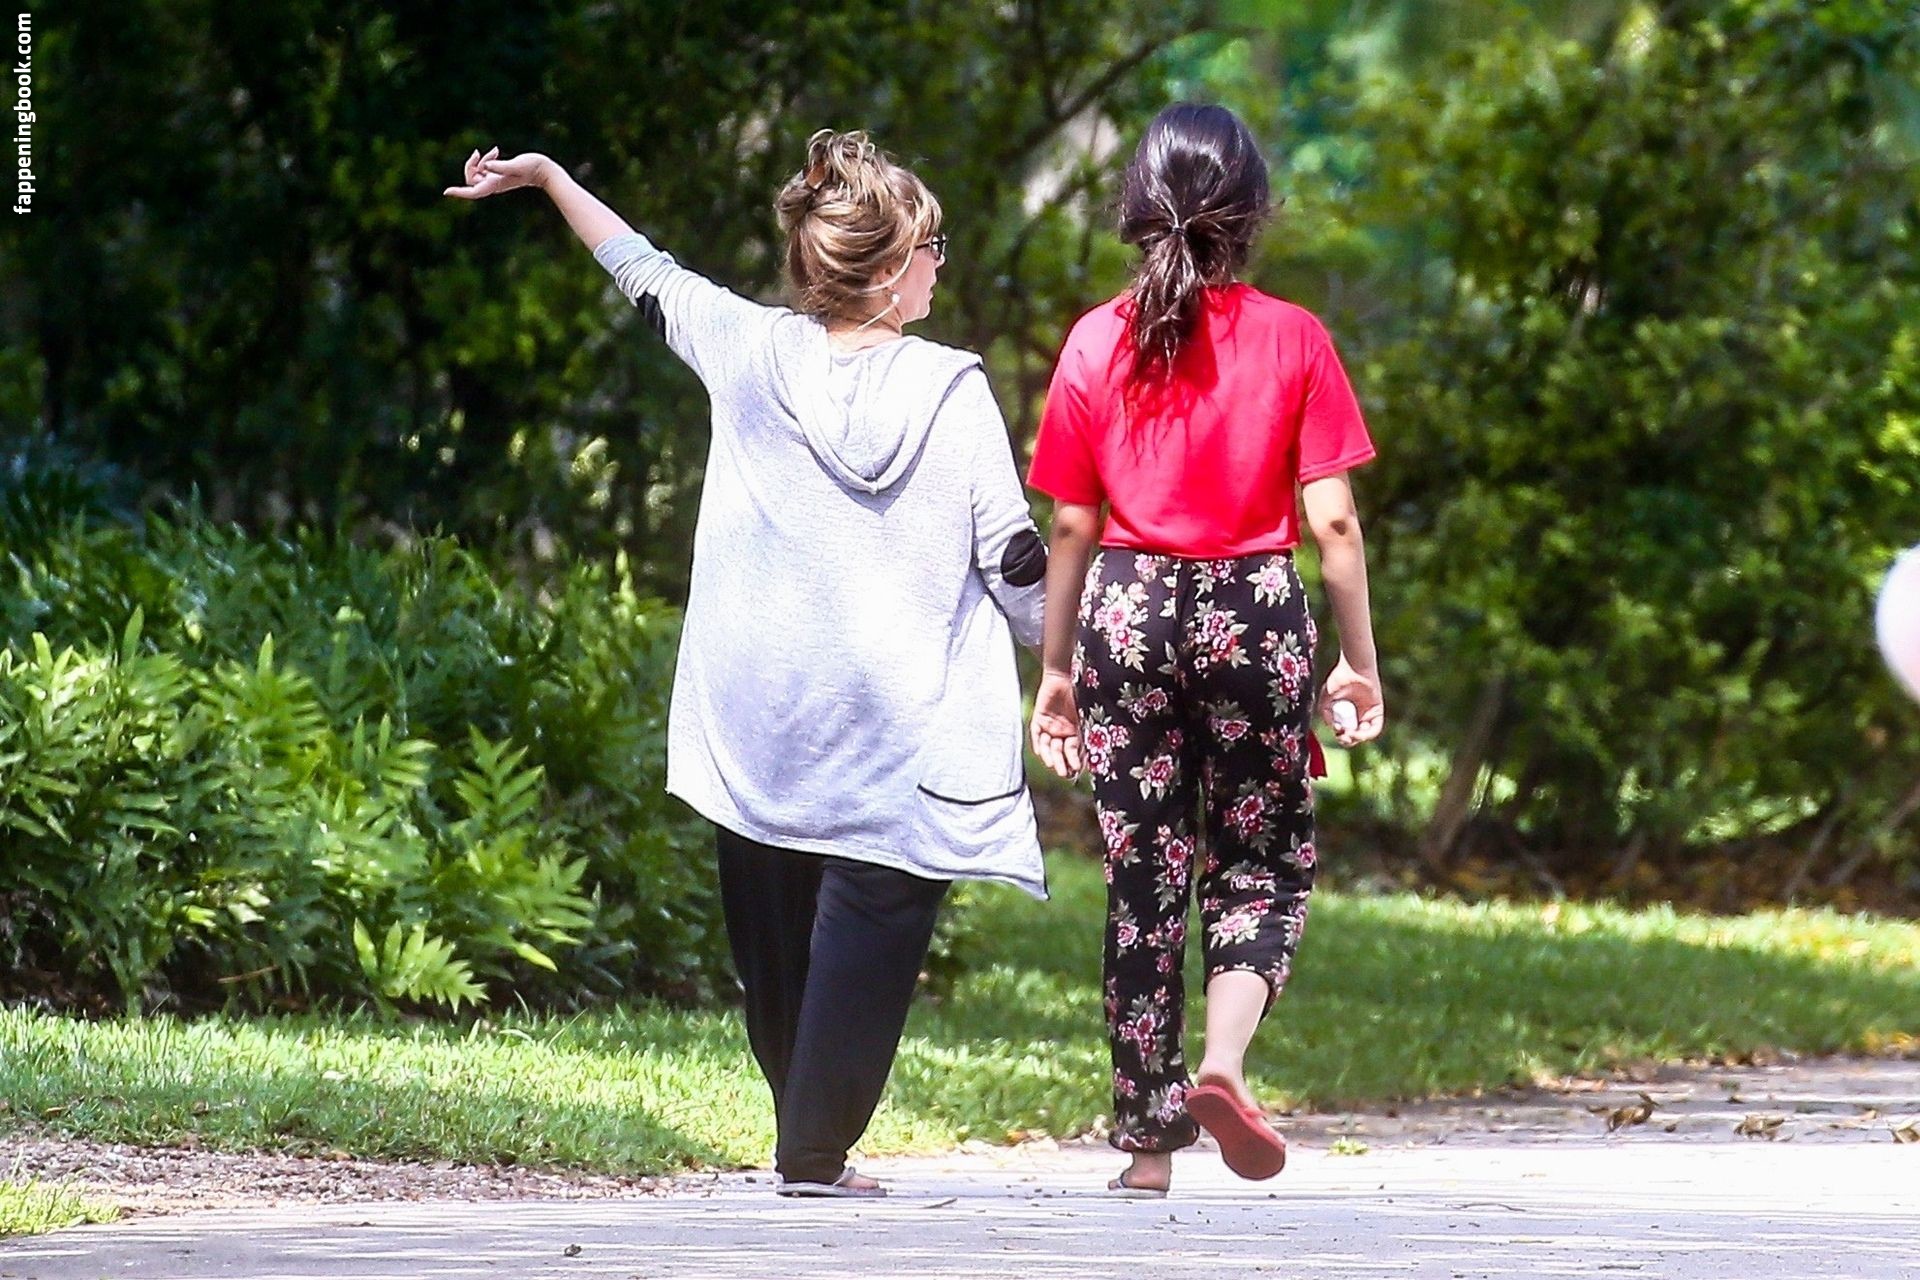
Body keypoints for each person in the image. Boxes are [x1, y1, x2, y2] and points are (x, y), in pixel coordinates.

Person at [445, 130, 1049, 1198]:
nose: (939, 267)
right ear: (889, 267)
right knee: (877, 915)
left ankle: (806, 1139)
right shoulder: (951, 390)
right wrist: (1084, 655)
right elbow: (1013, 558)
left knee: (776, 946)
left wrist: (550, 178)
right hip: (896, 737)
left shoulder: (747, 347)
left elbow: (643, 272)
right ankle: (813, 1146)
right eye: (932, 248)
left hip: (761, 725)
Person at [1025, 103, 1385, 1197]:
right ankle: (1222, 1061)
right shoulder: (1294, 337)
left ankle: (1148, 1145)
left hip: (1127, 611)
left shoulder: (1097, 339)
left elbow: (1072, 526)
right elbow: (1334, 523)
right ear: (1253, 211)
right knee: (1258, 854)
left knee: (1144, 875)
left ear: (1139, 205)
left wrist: (1054, 671)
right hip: (1253, 612)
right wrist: (1357, 659)